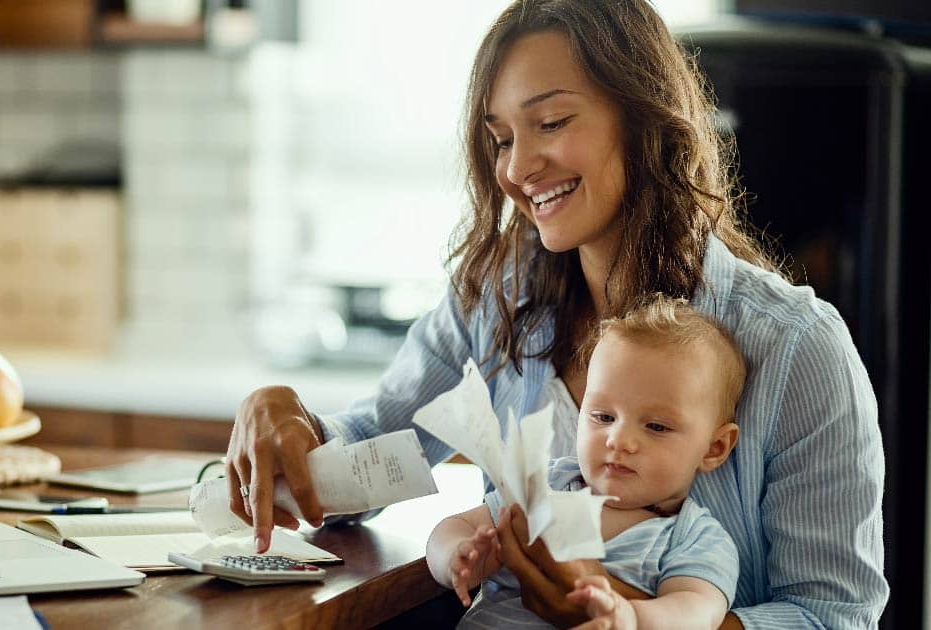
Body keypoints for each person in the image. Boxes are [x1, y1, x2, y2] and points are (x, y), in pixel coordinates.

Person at [224, 0, 887, 626]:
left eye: (550, 123)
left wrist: (626, 616)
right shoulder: (492, 305)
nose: (518, 168)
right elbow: (373, 456)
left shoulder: (797, 345)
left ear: (641, 115)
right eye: (502, 138)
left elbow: (833, 615)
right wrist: (292, 429)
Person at [431, 295, 743, 629]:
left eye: (656, 426)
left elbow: (695, 615)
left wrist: (631, 617)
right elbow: (453, 527)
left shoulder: (693, 539)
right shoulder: (547, 485)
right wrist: (457, 556)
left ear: (714, 448)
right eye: (603, 416)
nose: (618, 440)